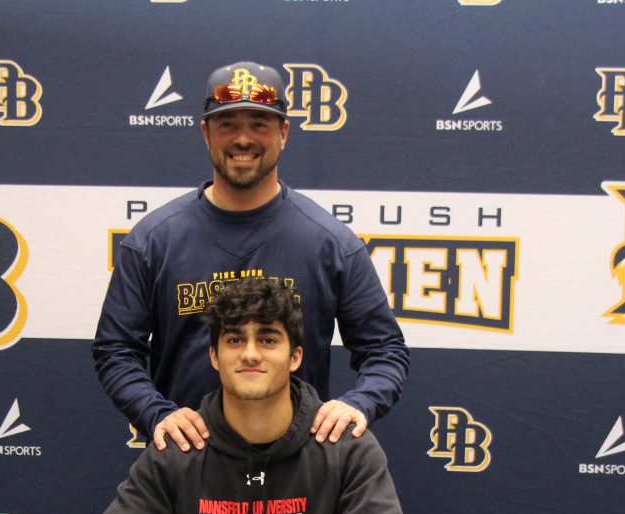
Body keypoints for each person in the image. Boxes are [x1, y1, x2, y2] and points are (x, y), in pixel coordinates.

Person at [92, 60, 410, 453]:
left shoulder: (331, 243)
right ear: (206, 132)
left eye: (260, 123)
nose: (243, 138)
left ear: (284, 134)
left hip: (300, 470)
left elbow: (385, 351)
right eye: (227, 124)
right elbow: (115, 350)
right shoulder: (154, 241)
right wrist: (157, 414)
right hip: (189, 466)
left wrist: (357, 404)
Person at [70, 277, 408, 514]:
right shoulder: (182, 443)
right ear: (215, 357)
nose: (249, 354)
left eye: (268, 339)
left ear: (295, 357)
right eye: (234, 339)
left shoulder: (341, 442)